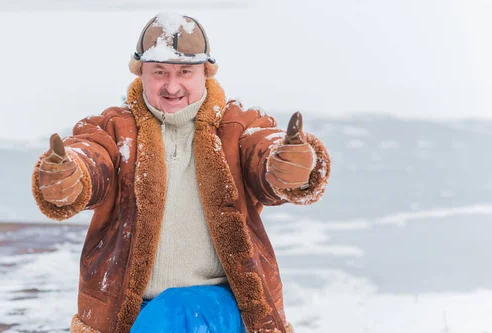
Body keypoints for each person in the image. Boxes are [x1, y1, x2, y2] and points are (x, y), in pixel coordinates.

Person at [31, 12, 331, 333]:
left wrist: (288, 163)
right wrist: (68, 175)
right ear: (140, 74)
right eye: (159, 72)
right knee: (165, 313)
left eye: (185, 72)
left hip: (222, 306)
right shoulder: (114, 128)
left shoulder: (236, 125)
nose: (172, 86)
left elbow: (264, 151)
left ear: (206, 73)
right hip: (127, 310)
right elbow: (92, 156)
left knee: (175, 308)